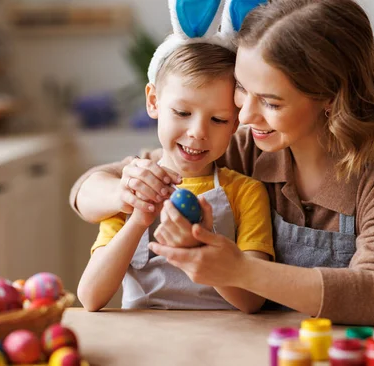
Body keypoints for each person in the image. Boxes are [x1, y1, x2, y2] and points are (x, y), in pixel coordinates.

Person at [71, 0, 374, 325]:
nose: (244, 115)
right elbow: (89, 185)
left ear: (331, 98)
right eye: (242, 88)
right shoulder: (246, 146)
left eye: (271, 102)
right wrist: (127, 189)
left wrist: (241, 271)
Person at [76, 0, 274, 313]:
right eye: (182, 112)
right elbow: (90, 297)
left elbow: (252, 301)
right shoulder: (132, 187)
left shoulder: (246, 193)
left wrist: (200, 244)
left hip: (224, 341)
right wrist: (139, 217)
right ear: (153, 101)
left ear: (237, 122)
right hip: (146, 342)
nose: (197, 132)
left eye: (219, 119)